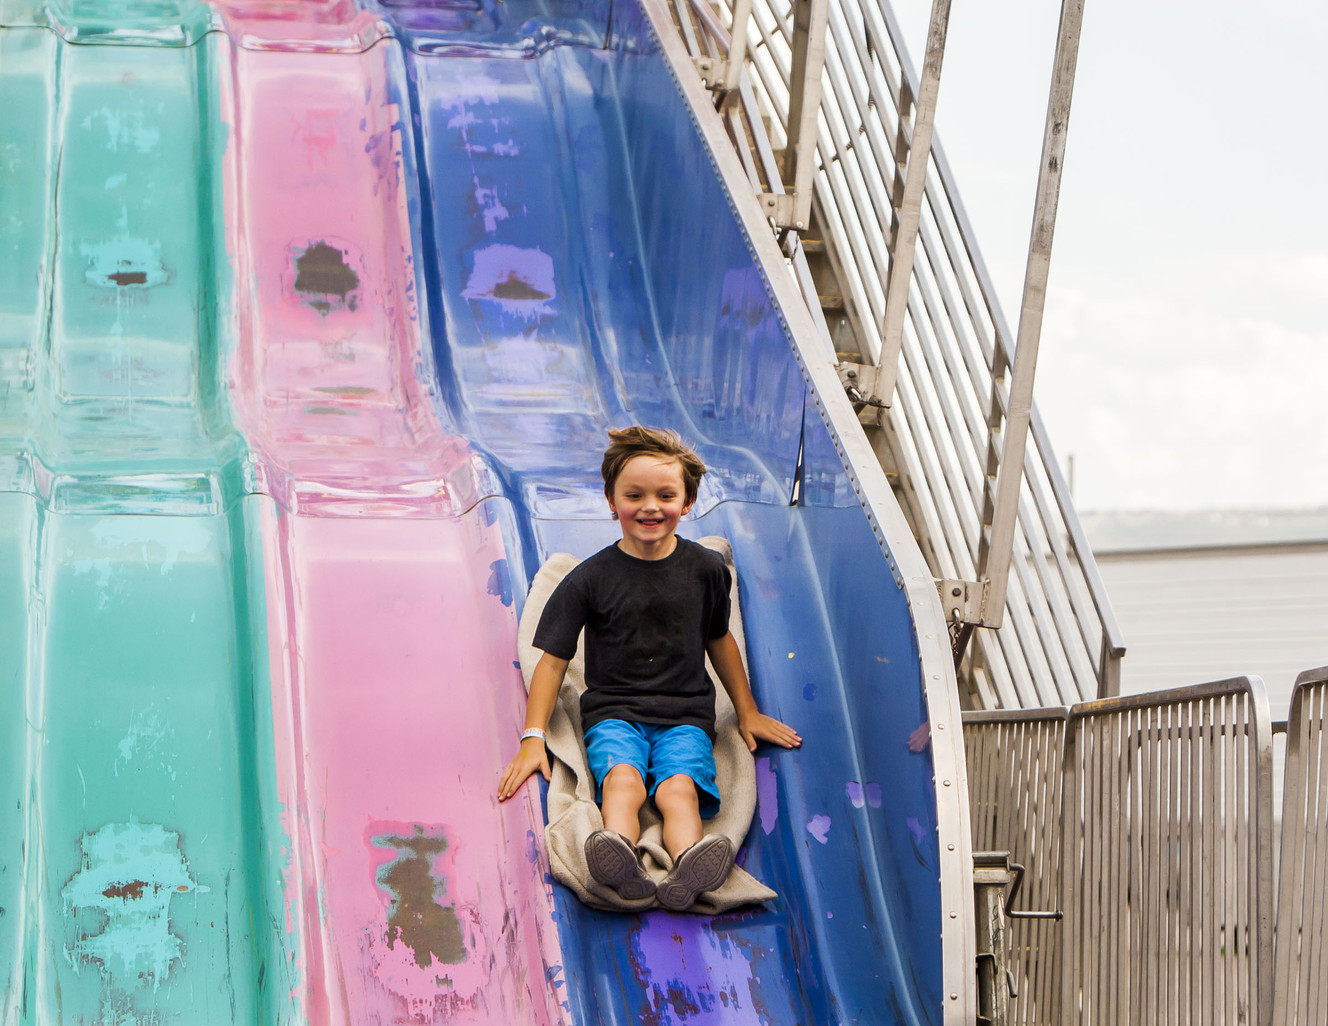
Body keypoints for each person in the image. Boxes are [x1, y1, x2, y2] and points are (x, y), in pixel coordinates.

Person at [498, 426, 801, 910]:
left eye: (665, 495)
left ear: (687, 502)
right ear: (612, 501)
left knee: (678, 789)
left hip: (685, 716)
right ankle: (617, 856)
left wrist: (747, 711)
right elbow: (552, 661)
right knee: (623, 780)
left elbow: (720, 639)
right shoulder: (589, 579)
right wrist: (534, 735)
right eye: (634, 495)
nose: (650, 506)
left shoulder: (704, 570)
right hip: (614, 712)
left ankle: (689, 866)